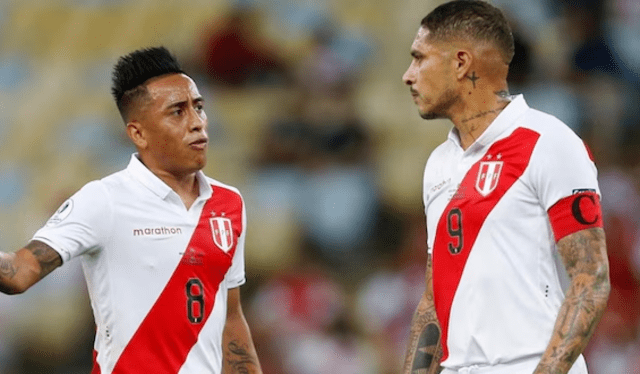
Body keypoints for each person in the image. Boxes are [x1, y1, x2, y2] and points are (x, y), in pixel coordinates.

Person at [0, 47, 262, 374]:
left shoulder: (229, 203)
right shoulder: (103, 200)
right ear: (138, 133)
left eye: (198, 107)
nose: (197, 123)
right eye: (177, 112)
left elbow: (231, 317)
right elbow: (20, 273)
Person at [400, 2, 610, 374]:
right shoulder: (438, 165)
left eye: (419, 58)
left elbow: (590, 276)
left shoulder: (549, 143)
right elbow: (434, 301)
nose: (408, 75)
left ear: (461, 63)